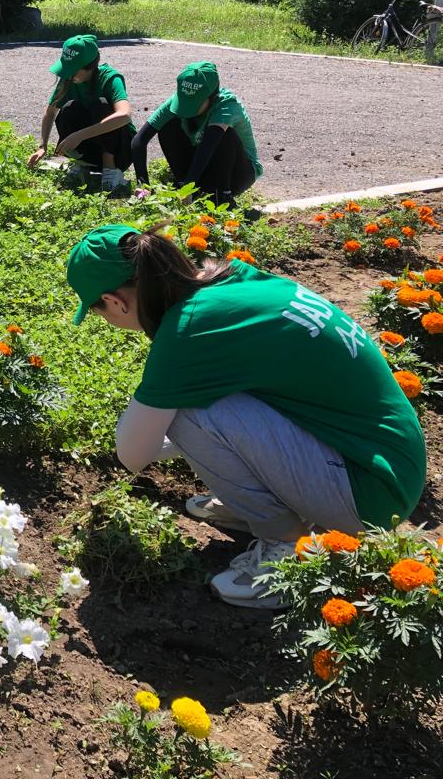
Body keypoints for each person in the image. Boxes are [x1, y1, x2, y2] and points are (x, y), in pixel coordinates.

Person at [66, 224, 425, 608]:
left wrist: (159, 434)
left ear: (115, 301)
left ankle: (287, 548)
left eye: (99, 312)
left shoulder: (188, 330)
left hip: (368, 494)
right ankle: (264, 502)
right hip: (388, 461)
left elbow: (132, 455)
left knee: (187, 410)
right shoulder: (232, 278)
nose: (108, 320)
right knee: (189, 407)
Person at [130, 61, 261, 206]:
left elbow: (207, 148)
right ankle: (185, 186)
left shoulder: (227, 105)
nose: (187, 108)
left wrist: (189, 187)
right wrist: (143, 185)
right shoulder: (177, 101)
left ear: (212, 96)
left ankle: (222, 196)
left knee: (225, 134)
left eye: (194, 103)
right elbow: (139, 140)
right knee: (168, 124)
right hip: (201, 169)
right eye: (185, 101)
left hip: (238, 174)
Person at [28, 35, 134, 194]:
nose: (68, 75)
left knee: (101, 105)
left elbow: (125, 115)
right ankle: (83, 163)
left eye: (73, 70)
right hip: (92, 149)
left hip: (121, 152)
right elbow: (50, 113)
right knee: (69, 109)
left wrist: (79, 135)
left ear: (90, 66)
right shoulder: (68, 81)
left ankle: (111, 172)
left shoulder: (111, 78)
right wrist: (42, 146)